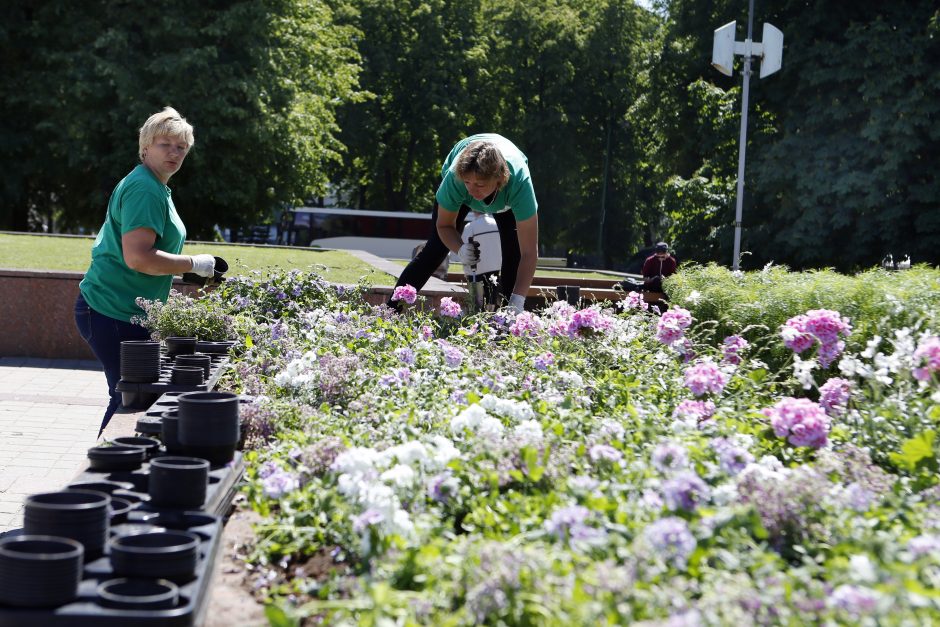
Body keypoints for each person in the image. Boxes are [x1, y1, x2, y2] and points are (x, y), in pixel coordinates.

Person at [74, 106, 217, 435]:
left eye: (181, 147)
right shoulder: (145, 188)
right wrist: (196, 264)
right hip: (112, 311)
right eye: (165, 143)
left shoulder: (155, 186)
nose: (174, 152)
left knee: (134, 398)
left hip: (124, 311)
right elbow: (139, 258)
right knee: (129, 399)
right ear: (145, 147)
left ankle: (111, 470)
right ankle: (107, 473)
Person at [391, 133, 538, 313]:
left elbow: (529, 252)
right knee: (435, 249)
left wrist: (518, 300)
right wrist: (459, 248)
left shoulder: (519, 185)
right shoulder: (456, 179)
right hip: (460, 174)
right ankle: (390, 311)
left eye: (480, 185)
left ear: (498, 180)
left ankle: (508, 322)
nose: (472, 190)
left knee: (513, 253)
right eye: (468, 182)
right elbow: (444, 226)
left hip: (506, 194)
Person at [459, 210, 502, 309]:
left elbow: (464, 249)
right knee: (492, 296)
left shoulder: (470, 226)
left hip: (476, 269)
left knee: (476, 302)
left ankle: (478, 318)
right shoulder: (497, 224)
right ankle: (491, 318)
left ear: (474, 210)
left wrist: (466, 270)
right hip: (495, 266)